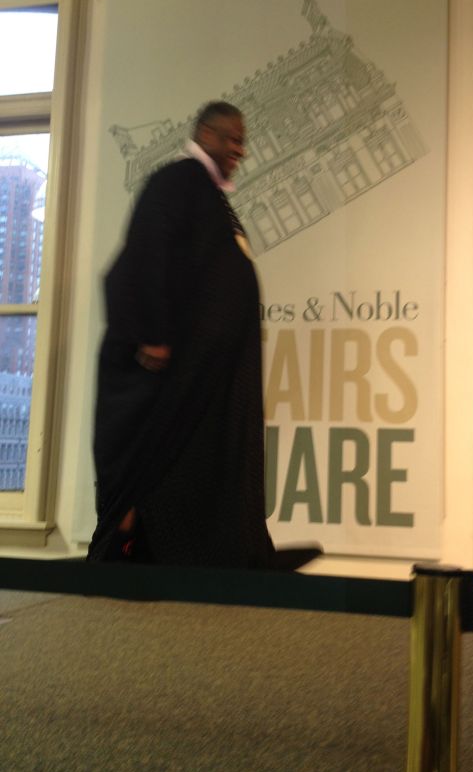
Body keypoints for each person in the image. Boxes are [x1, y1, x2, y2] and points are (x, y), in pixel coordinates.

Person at [87, 101, 320, 570]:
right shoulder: (178, 180)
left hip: (212, 363)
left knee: (212, 455)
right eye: (231, 138)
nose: (240, 149)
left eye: (242, 140)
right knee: (155, 454)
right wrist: (152, 333)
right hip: (173, 362)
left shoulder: (208, 193)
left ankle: (232, 551)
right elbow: (145, 252)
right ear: (205, 134)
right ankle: (127, 546)